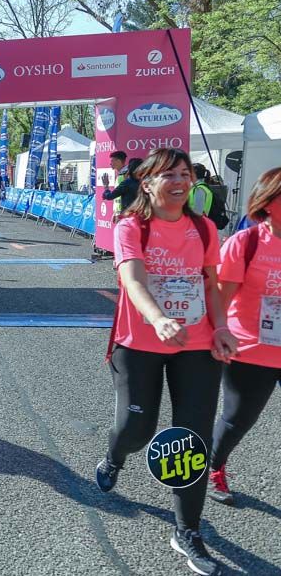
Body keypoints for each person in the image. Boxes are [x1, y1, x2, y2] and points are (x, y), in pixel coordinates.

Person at [95, 148, 237, 576]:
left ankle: (187, 530)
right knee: (137, 429)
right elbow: (133, 279)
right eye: (168, 175)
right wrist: (157, 318)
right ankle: (115, 457)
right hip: (139, 341)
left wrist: (222, 326)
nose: (180, 181)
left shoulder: (205, 228)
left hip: (195, 344)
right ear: (148, 183)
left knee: (189, 439)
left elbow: (211, 284)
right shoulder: (130, 226)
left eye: (185, 174)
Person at [207, 168, 281, 506]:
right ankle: (214, 466)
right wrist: (217, 336)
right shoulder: (246, 243)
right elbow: (220, 300)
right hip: (251, 349)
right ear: (268, 201)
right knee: (238, 420)